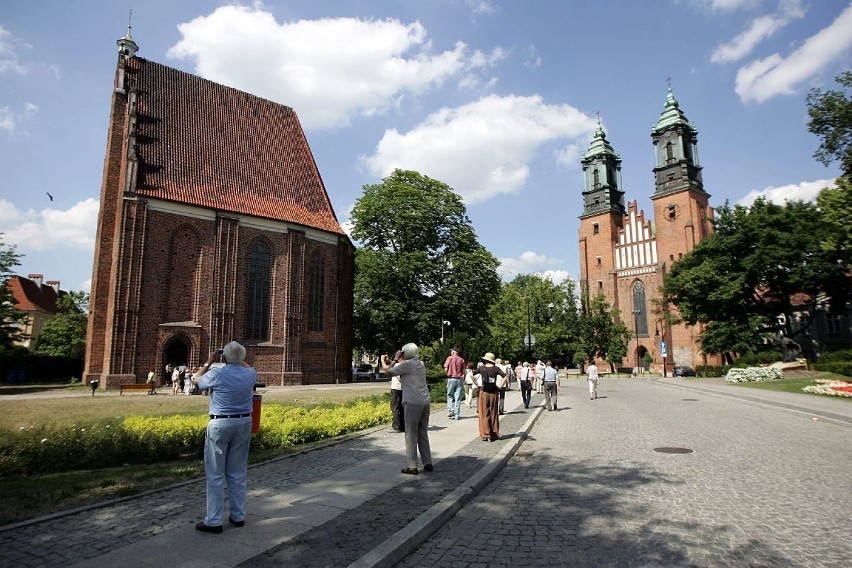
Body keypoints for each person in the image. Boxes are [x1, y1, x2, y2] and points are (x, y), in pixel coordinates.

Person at [192, 341, 257, 533]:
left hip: (220, 424)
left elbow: (196, 380)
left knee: (215, 474)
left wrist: (211, 359)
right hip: (243, 423)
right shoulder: (250, 374)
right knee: (238, 472)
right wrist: (238, 359)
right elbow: (248, 367)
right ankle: (238, 516)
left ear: (224, 358)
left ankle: (214, 521)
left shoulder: (218, 373)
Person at [382, 343, 433, 475]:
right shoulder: (420, 364)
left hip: (412, 401)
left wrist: (394, 359)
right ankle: (428, 462)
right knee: (423, 433)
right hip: (425, 401)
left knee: (411, 433)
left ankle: (412, 466)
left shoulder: (406, 365)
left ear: (404, 354)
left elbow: (387, 373)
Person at [477, 352, 504, 442]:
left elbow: (471, 375)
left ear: (486, 360)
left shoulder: (482, 368)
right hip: (494, 392)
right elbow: (506, 376)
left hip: (484, 391)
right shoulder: (496, 368)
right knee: (494, 412)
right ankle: (494, 433)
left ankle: (486, 433)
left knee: (484, 413)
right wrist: (500, 386)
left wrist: (477, 384)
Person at [443, 346, 465, 420]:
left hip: (451, 378)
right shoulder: (461, 360)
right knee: (458, 397)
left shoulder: (449, 358)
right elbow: (464, 371)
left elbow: (446, 369)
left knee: (449, 395)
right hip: (459, 379)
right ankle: (457, 414)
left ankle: (451, 410)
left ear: (453, 352)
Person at [388, 350, 405, 432]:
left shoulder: (398, 365)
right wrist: (390, 361)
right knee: (402, 408)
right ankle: (403, 426)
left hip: (396, 389)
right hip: (404, 389)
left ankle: (396, 426)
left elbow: (388, 370)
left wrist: (383, 361)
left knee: (395, 407)